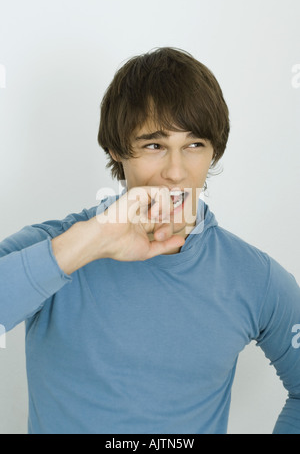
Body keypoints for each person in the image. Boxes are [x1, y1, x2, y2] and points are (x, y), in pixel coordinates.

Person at [0, 47, 300, 434]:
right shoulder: (56, 246)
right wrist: (91, 242)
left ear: (214, 151)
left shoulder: (255, 278)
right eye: (154, 146)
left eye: (194, 145)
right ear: (116, 148)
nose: (175, 172)